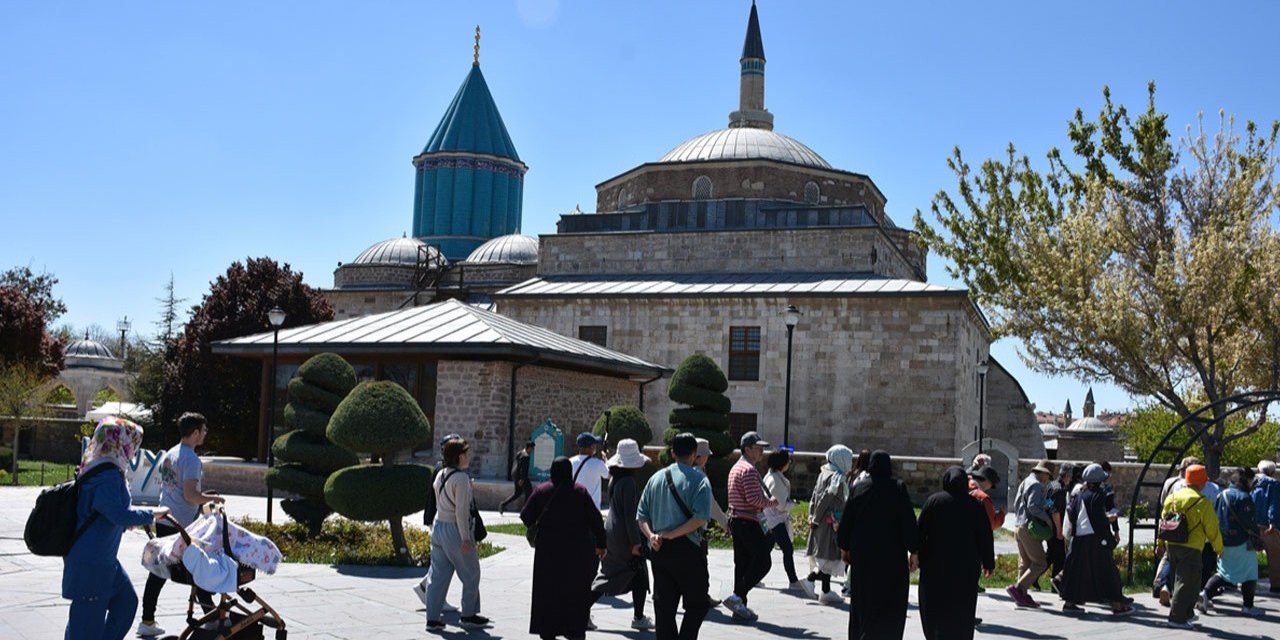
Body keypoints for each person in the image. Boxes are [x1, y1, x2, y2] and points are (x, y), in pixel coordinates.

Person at [65, 417, 168, 640]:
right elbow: (117, 514)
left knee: (125, 602)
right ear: (119, 442)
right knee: (85, 625)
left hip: (103, 559)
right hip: (92, 562)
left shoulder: (98, 467)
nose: (133, 449)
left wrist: (126, 522)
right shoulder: (107, 475)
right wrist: (151, 514)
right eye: (132, 443)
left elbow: (105, 512)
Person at [138, 412, 224, 637]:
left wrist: (202, 496)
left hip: (165, 519)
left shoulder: (170, 453)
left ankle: (147, 620)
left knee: (160, 571)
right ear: (195, 432)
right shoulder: (191, 459)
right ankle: (211, 616)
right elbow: (190, 495)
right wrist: (212, 499)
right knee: (199, 566)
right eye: (203, 430)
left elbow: (174, 488)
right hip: (182, 525)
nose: (205, 434)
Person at [522, 457, 608, 640]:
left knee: (548, 593)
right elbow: (596, 521)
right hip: (576, 554)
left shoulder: (541, 491)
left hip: (548, 554)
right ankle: (574, 631)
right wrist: (601, 544)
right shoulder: (580, 492)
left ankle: (548, 631)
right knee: (575, 594)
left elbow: (526, 517)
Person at [637, 432, 712, 640]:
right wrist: (672, 534)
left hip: (659, 549)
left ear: (672, 453)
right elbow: (700, 518)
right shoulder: (699, 480)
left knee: (664, 608)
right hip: (687, 549)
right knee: (698, 603)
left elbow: (641, 515)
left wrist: (652, 535)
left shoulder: (655, 479)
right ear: (695, 454)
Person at [837, 450, 919, 640]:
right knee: (890, 604)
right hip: (891, 560)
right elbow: (908, 521)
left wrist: (844, 548)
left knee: (863, 603)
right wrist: (914, 550)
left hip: (864, 559)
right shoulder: (898, 488)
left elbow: (847, 522)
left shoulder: (859, 488)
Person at [916, 466, 995, 640]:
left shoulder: (934, 501)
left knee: (934, 606)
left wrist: (916, 556)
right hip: (965, 569)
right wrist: (989, 563)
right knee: (962, 608)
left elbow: (920, 533)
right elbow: (985, 536)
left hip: (935, 567)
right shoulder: (975, 505)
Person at [423, 438, 490, 632]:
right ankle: (468, 614)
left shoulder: (441, 474)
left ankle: (432, 618)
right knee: (471, 572)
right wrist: (466, 538)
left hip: (439, 525)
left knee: (438, 575)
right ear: (459, 456)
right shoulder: (461, 479)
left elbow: (439, 503)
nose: (468, 457)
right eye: (466, 454)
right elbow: (461, 512)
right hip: (454, 528)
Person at [589, 439, 654, 631]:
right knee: (614, 576)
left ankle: (639, 616)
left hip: (613, 532)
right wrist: (635, 543)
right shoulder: (629, 483)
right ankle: (581, 610)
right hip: (624, 537)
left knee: (636, 575)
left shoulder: (615, 479)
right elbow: (630, 516)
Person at [1058, 464, 1132, 615]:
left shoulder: (1079, 494)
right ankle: (1117, 605)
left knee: (1075, 572)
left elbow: (1072, 515)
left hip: (1079, 537)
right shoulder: (1098, 494)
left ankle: (1070, 602)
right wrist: (1109, 524)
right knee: (1109, 571)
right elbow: (1099, 519)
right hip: (1095, 538)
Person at [1158, 463, 1223, 629]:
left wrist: (1160, 543)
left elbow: (1163, 522)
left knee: (1178, 581)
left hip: (1172, 544)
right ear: (1202, 483)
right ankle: (1177, 618)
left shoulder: (1172, 498)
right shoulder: (1202, 502)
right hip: (1192, 546)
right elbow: (1212, 528)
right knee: (1187, 583)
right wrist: (1219, 548)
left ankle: (1186, 614)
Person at [723, 431, 778, 622]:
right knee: (763, 561)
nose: (762, 451)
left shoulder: (736, 467)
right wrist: (771, 502)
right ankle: (737, 597)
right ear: (748, 449)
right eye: (758, 448)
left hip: (738, 520)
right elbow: (754, 500)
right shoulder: (748, 470)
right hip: (748, 521)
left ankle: (740, 606)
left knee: (743, 563)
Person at [1200, 467, 1264, 617]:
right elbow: (1250, 522)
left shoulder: (1221, 494)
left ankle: (1205, 594)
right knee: (1250, 574)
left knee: (1223, 573)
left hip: (1223, 541)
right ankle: (1248, 606)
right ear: (1246, 480)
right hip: (1242, 542)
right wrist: (1258, 540)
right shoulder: (1244, 497)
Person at [807, 444, 853, 604]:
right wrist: (816, 518)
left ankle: (825, 590)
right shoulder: (836, 478)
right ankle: (810, 580)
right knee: (829, 556)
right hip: (830, 523)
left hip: (825, 521)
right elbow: (824, 499)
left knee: (828, 555)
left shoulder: (825, 473)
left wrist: (812, 515)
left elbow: (814, 496)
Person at [762, 448, 812, 598]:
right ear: (783, 463)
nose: (789, 463)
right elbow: (780, 504)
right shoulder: (775, 480)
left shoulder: (772, 476)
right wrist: (793, 504)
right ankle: (793, 580)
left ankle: (752, 576)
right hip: (775, 519)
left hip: (772, 518)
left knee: (765, 550)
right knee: (787, 549)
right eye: (788, 461)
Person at [1153, 456, 1201, 604]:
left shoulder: (1170, 482)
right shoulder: (1190, 486)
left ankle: (1162, 585)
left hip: (1171, 526)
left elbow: (1163, 502)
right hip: (1189, 530)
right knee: (1184, 565)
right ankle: (1180, 597)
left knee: (1168, 558)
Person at [1006, 459, 1053, 608]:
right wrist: (1047, 519)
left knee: (1025, 563)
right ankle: (1018, 588)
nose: (1048, 480)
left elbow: (1017, 504)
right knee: (1040, 563)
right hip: (1029, 527)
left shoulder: (1025, 481)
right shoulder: (1036, 485)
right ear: (1044, 473)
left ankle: (1021, 596)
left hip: (1019, 525)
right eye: (1048, 476)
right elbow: (1033, 507)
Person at [1044, 463, 1076, 593]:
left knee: (1051, 554)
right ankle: (1056, 586)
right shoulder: (1060, 490)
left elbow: (1047, 504)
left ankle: (1033, 577)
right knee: (1059, 557)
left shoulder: (1051, 485)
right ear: (1067, 475)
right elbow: (1055, 511)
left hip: (1049, 526)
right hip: (1055, 527)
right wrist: (1059, 530)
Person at [1254, 459, 1280, 594]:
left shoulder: (1251, 482)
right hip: (1267, 526)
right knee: (1274, 556)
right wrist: (1273, 522)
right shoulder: (1274, 484)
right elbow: (1274, 504)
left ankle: (1246, 583)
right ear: (1272, 472)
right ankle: (1276, 585)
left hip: (1251, 525)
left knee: (1248, 554)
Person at [570, 432, 610, 509]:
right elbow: (609, 475)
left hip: (575, 506)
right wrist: (606, 460)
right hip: (592, 508)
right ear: (591, 447)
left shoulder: (570, 462)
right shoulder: (598, 463)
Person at [499, 441, 535, 515]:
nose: (532, 451)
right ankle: (525, 511)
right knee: (529, 492)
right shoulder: (526, 456)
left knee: (517, 493)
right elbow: (523, 469)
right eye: (532, 449)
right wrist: (522, 479)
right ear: (530, 448)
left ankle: (503, 504)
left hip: (515, 475)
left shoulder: (520, 453)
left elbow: (516, 464)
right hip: (522, 477)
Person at [968, 466, 1005, 530]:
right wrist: (1002, 514)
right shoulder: (983, 498)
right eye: (991, 484)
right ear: (987, 481)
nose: (990, 487)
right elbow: (991, 524)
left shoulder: (963, 485)